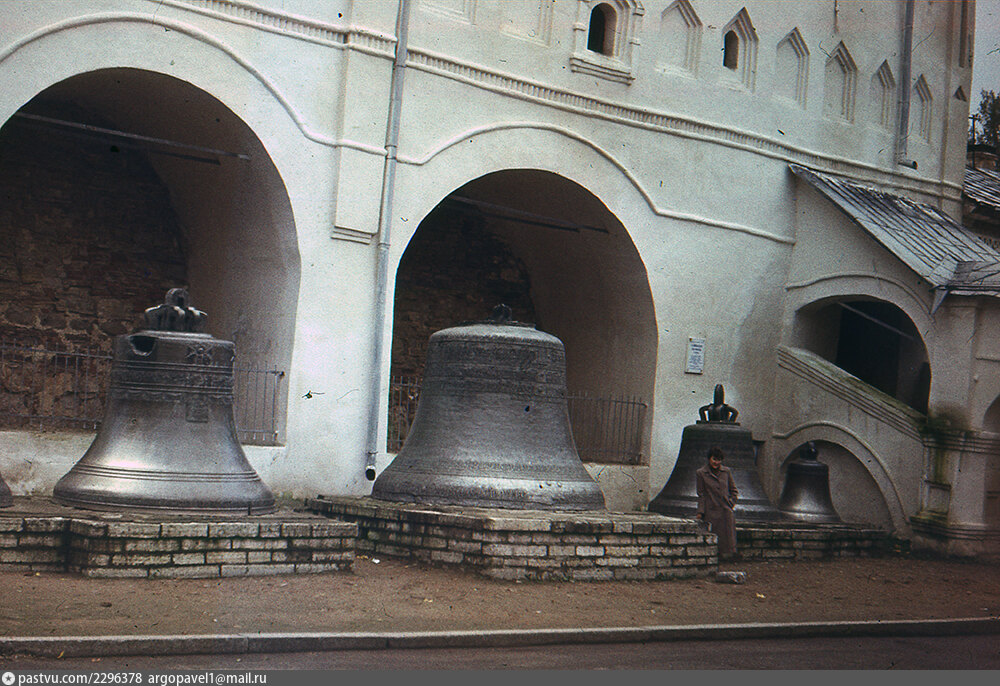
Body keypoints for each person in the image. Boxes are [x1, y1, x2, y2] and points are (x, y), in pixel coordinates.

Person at [695, 446, 739, 560]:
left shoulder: (726, 472)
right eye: (714, 459)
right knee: (714, 538)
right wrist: (700, 512)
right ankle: (713, 558)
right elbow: (701, 494)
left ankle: (727, 558)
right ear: (709, 458)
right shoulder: (701, 473)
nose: (716, 462)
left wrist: (731, 503)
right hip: (711, 511)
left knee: (727, 538)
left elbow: (734, 490)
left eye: (719, 460)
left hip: (725, 510)